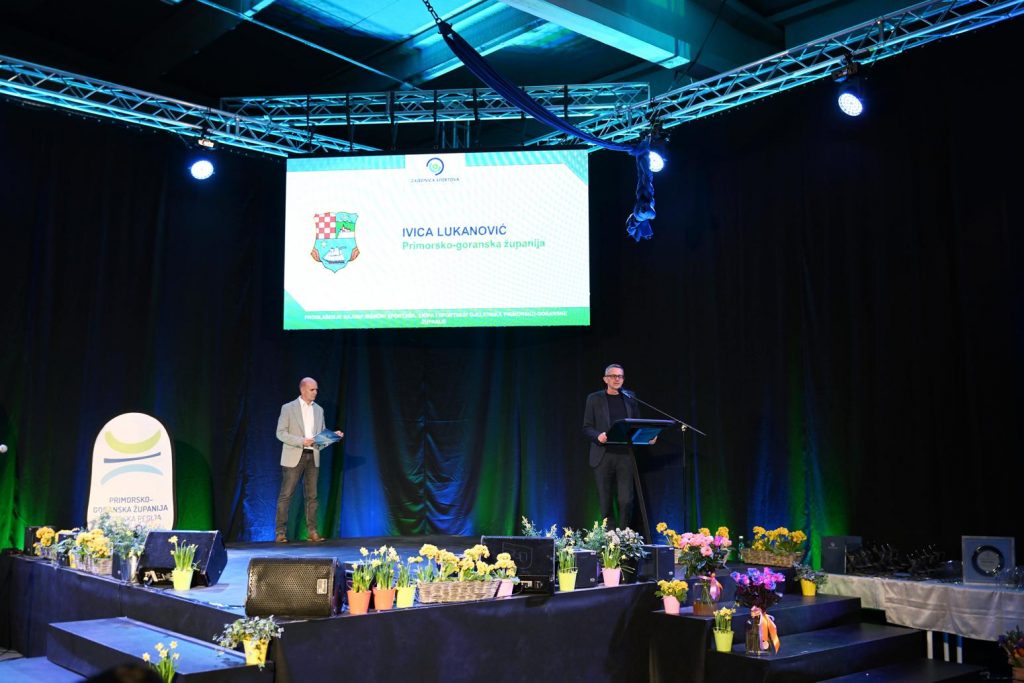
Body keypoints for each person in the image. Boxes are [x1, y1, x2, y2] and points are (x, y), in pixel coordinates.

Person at [275, 377, 343, 543]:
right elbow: (280, 433)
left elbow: (320, 437)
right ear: (303, 390)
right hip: (294, 455)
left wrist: (332, 437)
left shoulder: (319, 410)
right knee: (286, 495)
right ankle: (280, 532)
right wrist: (301, 441)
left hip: (313, 456)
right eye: (312, 389)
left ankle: (312, 531)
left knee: (312, 496)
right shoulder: (288, 408)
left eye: (316, 389)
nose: (316, 392)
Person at [582, 364, 640, 530]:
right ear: (605, 379)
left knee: (626, 499)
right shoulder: (594, 398)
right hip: (603, 455)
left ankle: (623, 534)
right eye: (613, 376)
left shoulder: (630, 397)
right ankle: (610, 536)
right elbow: (587, 427)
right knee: (605, 500)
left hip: (625, 455)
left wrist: (647, 436)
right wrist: (598, 436)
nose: (617, 379)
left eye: (620, 376)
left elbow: (637, 423)